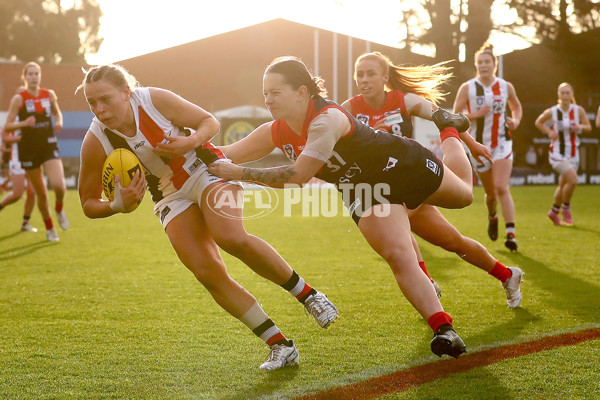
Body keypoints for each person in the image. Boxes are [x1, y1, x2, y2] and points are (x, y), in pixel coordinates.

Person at [208, 56, 477, 359]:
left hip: (401, 165)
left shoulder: (327, 119)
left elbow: (298, 177)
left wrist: (241, 174)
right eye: (265, 94)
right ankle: (444, 329)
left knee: (465, 195)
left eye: (275, 92)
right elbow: (223, 153)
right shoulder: (276, 130)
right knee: (399, 256)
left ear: (301, 92)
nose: (268, 100)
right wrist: (179, 148)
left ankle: (448, 129)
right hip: (365, 190)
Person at [76, 64, 338, 371]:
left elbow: (208, 122)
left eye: (105, 99)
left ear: (126, 92)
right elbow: (88, 202)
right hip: (169, 195)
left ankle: (308, 296)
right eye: (92, 103)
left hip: (207, 169)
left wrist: (190, 142)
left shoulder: (152, 100)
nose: (100, 109)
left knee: (230, 237)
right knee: (207, 272)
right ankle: (280, 345)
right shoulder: (97, 138)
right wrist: (117, 205)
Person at [340, 51, 523, 308]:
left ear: (385, 76)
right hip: (385, 187)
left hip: (413, 177)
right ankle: (508, 275)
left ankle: (427, 281)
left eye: (371, 73)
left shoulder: (402, 100)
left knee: (399, 230)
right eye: (360, 74)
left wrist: (470, 142)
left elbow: (445, 118)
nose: (364, 79)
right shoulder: (348, 109)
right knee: (453, 242)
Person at [453, 43, 523, 252]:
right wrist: (475, 114)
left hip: (502, 142)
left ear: (494, 64)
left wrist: (516, 121)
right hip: (479, 147)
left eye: (487, 62)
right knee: (491, 194)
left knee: (502, 187)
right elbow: (455, 116)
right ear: (476, 65)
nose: (484, 65)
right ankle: (493, 217)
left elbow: (516, 107)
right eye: (480, 62)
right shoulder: (468, 87)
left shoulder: (505, 86)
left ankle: (510, 234)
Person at [3, 62, 69, 241]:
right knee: (40, 192)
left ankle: (59, 208)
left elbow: (57, 113)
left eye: (36, 74)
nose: (33, 77)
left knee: (59, 186)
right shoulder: (19, 98)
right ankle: (50, 228)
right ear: (24, 77)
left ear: (40, 76)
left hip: (48, 145)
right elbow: (7, 125)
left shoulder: (49, 95)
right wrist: (24, 123)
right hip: (28, 150)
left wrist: (59, 122)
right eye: (30, 74)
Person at [534, 82, 591, 226]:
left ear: (572, 95)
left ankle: (553, 212)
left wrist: (580, 127)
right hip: (557, 152)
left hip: (573, 152)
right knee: (573, 180)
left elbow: (588, 127)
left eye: (568, 93)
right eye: (563, 93)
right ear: (558, 95)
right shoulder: (553, 111)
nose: (565, 96)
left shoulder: (578, 110)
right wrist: (549, 132)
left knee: (563, 185)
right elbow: (538, 122)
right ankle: (566, 209)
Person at [0, 127, 38, 232]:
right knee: (17, 194)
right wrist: (22, 136)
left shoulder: (35, 118)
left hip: (32, 158)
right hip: (17, 159)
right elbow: (5, 136)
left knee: (32, 192)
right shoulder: (15, 118)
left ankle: (26, 223)